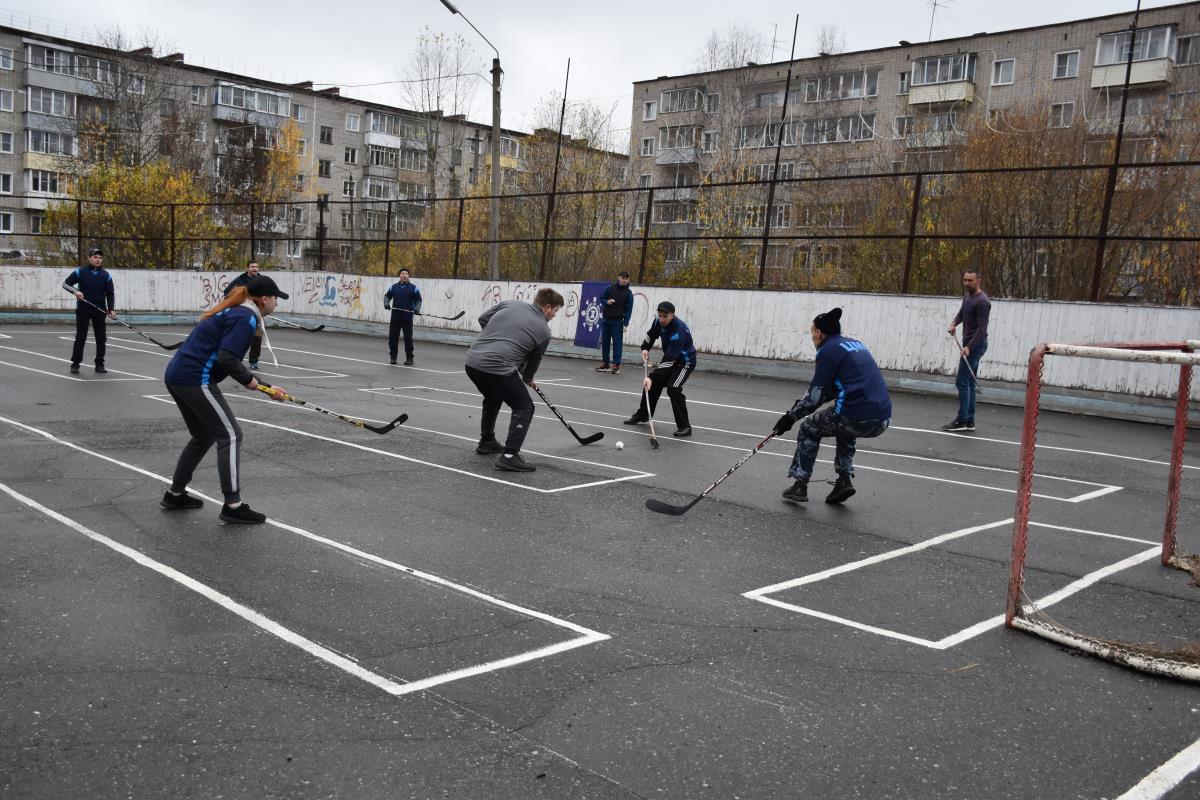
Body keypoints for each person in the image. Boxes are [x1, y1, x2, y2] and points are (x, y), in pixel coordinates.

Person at [162, 275, 289, 524]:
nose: (276, 304)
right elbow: (227, 359)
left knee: (204, 435)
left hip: (178, 375)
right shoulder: (246, 316)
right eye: (276, 299)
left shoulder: (237, 311)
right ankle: (233, 505)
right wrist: (257, 386)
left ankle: (175, 494)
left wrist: (266, 387)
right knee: (230, 435)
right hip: (194, 378)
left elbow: (225, 356)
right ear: (264, 299)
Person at [772, 307, 892, 504]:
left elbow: (815, 397)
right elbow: (843, 386)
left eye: (812, 332)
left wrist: (790, 417)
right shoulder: (854, 344)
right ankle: (844, 480)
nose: (812, 337)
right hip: (883, 417)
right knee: (844, 425)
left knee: (809, 427)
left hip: (856, 415)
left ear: (819, 333)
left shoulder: (828, 351)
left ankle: (800, 484)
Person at [465, 288, 565, 473]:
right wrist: (528, 378)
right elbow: (534, 361)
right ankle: (510, 457)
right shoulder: (544, 331)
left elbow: (482, 319)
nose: (554, 315)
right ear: (547, 307)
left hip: (472, 362)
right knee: (524, 407)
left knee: (493, 396)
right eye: (555, 311)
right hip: (496, 367)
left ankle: (487, 441)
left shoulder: (510, 303)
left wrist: (495, 339)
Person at [623, 301, 696, 437]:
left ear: (672, 315)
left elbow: (669, 360)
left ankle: (685, 427)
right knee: (654, 384)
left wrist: (650, 377)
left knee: (673, 388)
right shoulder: (658, 322)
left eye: (665, 316)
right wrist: (645, 347)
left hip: (684, 363)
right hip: (672, 360)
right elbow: (651, 334)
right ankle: (643, 414)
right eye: (660, 315)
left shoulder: (678, 331)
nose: (661, 319)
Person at [944, 269, 991, 433]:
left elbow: (982, 330)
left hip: (976, 345)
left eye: (970, 280)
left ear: (979, 280)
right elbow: (962, 313)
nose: (966, 283)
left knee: (962, 382)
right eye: (964, 280)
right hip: (968, 344)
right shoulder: (968, 296)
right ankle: (969, 421)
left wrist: (969, 347)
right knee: (969, 382)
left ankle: (963, 420)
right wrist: (953, 324)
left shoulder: (982, 302)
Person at [64, 247, 116, 375]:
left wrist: (111, 309)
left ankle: (99, 364)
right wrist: (76, 291)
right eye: (95, 257)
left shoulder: (106, 275)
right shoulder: (80, 272)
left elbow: (110, 293)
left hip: (100, 310)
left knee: (101, 338)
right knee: (81, 338)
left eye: (100, 258)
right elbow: (66, 284)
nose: (98, 260)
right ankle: (75, 364)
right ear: (89, 258)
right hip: (83, 309)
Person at [224, 261, 263, 369]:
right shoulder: (240, 280)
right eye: (252, 267)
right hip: (243, 314)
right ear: (247, 268)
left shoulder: (262, 280)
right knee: (241, 337)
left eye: (256, 266)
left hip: (257, 313)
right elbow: (227, 292)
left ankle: (254, 361)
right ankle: (234, 359)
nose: (255, 268)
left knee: (257, 338)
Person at [596, 271, 634, 374]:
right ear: (618, 277)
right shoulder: (610, 288)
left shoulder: (629, 294)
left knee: (617, 344)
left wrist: (626, 324)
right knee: (605, 343)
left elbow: (629, 310)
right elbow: (602, 298)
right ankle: (605, 364)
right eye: (623, 278)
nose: (625, 280)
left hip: (618, 322)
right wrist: (606, 302)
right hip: (606, 321)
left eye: (627, 278)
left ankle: (616, 365)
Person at [384, 269, 423, 366]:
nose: (404, 275)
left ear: (408, 276)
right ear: (400, 276)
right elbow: (387, 297)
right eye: (402, 273)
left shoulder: (414, 288)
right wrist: (386, 304)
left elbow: (418, 300)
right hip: (395, 318)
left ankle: (409, 358)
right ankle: (393, 358)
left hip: (407, 318)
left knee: (408, 339)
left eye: (406, 274)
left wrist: (416, 309)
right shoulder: (394, 287)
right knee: (393, 338)